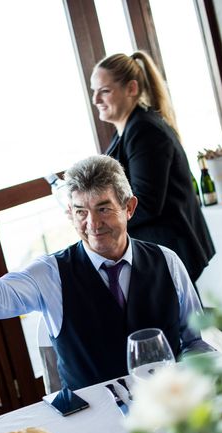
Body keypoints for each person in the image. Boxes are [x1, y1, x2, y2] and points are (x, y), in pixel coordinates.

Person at [0, 155, 206, 390]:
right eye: (81, 211)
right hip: (92, 421)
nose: (92, 224)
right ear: (69, 213)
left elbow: (197, 341)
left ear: (129, 207)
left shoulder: (167, 261)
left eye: (103, 209)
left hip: (169, 409)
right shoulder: (49, 273)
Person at [90, 51, 215, 283]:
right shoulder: (128, 131)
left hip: (168, 249)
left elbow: (146, 202)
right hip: (158, 249)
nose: (96, 99)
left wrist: (100, 220)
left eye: (104, 91)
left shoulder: (144, 131)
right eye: (94, 91)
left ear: (131, 89)